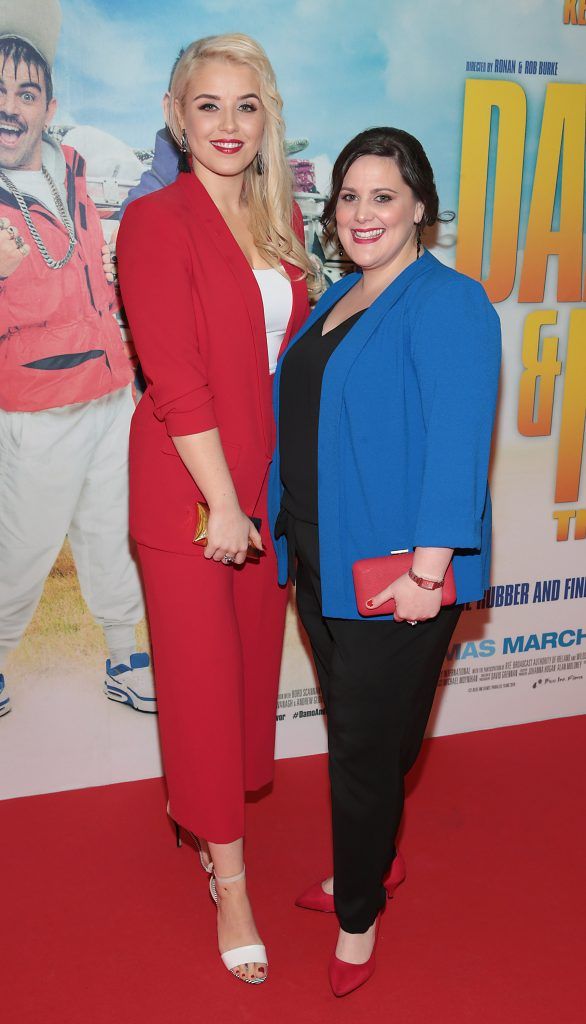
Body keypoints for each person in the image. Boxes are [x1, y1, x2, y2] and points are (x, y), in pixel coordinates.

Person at [269, 127, 501, 997]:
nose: (363, 214)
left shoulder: (448, 303)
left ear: (420, 210)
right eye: (350, 197)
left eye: (384, 197)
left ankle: (358, 911)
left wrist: (429, 570)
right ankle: (379, 851)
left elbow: (456, 442)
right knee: (375, 735)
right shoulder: (337, 299)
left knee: (363, 750)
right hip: (320, 555)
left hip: (397, 574)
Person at [116, 34, 314, 985]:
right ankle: (229, 885)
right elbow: (176, 378)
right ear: (174, 113)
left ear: (265, 117)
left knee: (241, 690)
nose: (229, 125)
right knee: (200, 692)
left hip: (261, 501)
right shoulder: (155, 222)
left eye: (246, 106)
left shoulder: (279, 232)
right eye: (209, 105)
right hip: (195, 501)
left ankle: (208, 828)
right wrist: (223, 504)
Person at [0, 0, 153, 717]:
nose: (9, 108)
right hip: (35, 405)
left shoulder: (76, 167)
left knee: (111, 528)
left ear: (47, 105)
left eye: (25, 93)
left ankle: (125, 654)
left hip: (110, 391)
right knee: (23, 545)